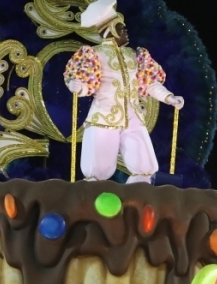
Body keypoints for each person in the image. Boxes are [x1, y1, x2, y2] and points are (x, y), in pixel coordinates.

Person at [63, 0, 184, 183]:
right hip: (103, 118)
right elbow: (86, 83)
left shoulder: (135, 55)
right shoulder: (94, 54)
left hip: (133, 118)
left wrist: (168, 97)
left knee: (145, 168)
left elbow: (149, 82)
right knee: (97, 172)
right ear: (111, 29)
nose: (126, 31)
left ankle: (139, 201)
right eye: (121, 27)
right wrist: (78, 86)